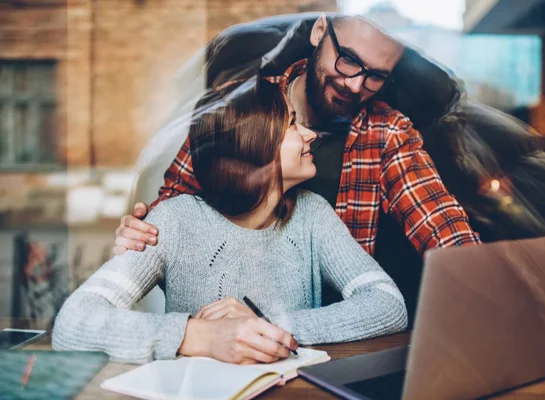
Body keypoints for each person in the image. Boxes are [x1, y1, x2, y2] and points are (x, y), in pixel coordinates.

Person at [112, 14, 545, 375]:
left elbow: (445, 229)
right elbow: (169, 215)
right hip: (218, 359)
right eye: (348, 61)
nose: (354, 83)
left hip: (335, 350)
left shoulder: (386, 134)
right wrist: (139, 236)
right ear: (320, 31)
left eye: (375, 75)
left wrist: (521, 323)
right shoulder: (243, 107)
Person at [52, 80, 407, 364]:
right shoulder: (174, 221)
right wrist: (198, 336)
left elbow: (387, 303)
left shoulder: (313, 215)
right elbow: (74, 323)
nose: (310, 134)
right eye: (292, 124)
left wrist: (269, 326)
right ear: (257, 146)